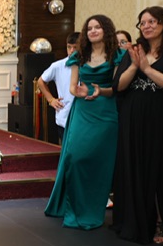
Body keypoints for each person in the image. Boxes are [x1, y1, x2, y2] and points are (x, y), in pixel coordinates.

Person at [44, 15, 125, 230]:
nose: (93, 31)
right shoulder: (79, 55)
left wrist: (99, 91)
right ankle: (75, 208)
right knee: (75, 157)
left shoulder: (117, 55)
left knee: (100, 161)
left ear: (106, 30)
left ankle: (93, 209)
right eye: (89, 28)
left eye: (98, 27)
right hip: (83, 109)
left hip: (106, 111)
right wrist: (78, 91)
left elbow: (116, 88)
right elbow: (73, 86)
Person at [112, 6, 163, 244]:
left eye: (151, 21)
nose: (146, 26)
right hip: (133, 117)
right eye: (142, 23)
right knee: (134, 166)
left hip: (162, 117)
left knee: (160, 168)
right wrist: (135, 66)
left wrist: (147, 69)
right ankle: (136, 221)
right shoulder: (135, 51)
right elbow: (119, 85)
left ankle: (161, 224)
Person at [37, 32, 79, 143]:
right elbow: (41, 81)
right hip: (64, 116)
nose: (72, 51)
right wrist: (51, 99)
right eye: (69, 47)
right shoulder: (58, 65)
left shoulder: (88, 65)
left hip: (83, 117)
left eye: (75, 47)